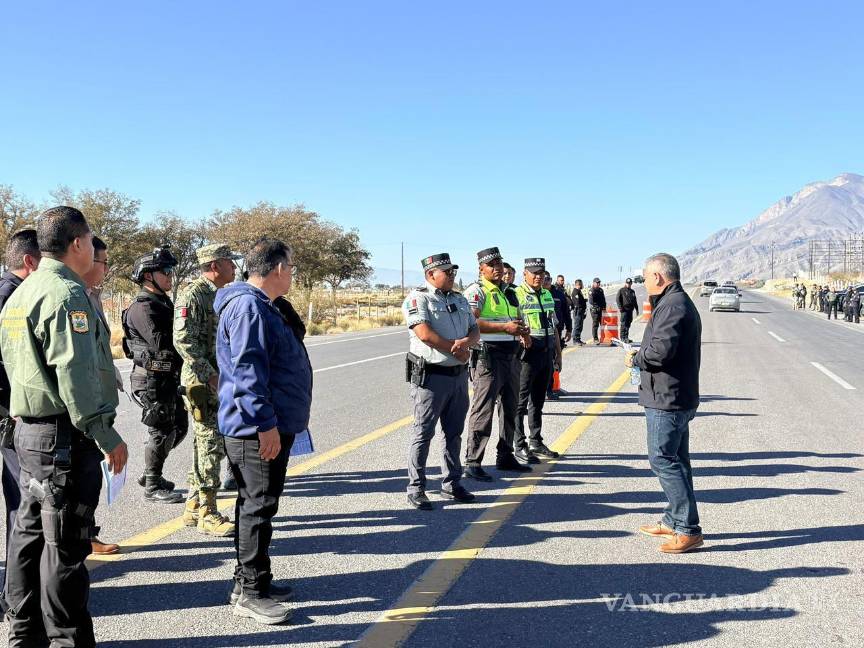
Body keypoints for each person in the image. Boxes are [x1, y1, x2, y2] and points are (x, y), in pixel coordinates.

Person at [0, 206, 128, 647]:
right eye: (92, 240)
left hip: (29, 434)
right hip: (63, 439)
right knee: (66, 549)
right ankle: (67, 640)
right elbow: (74, 375)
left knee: (28, 538)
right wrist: (106, 435)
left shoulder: (23, 290)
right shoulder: (66, 294)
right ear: (77, 243)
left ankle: (23, 635)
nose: (94, 249)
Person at [214, 238, 311, 625]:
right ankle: (250, 593)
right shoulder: (249, 307)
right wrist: (265, 425)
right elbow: (246, 373)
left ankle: (252, 581)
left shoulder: (263, 306)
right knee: (257, 506)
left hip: (264, 424)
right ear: (278, 269)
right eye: (291, 267)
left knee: (257, 505)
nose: (293, 274)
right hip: (254, 429)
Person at [626, 252, 703, 554]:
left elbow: (660, 353)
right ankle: (673, 520)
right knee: (677, 460)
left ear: (658, 277)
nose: (644, 283)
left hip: (668, 399)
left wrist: (637, 357)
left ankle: (688, 529)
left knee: (663, 460)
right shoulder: (674, 301)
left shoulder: (673, 305)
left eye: (645, 277)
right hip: (673, 395)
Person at [402, 253, 479, 510]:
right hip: (431, 377)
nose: (452, 275)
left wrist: (467, 344)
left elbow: (474, 328)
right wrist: (455, 349)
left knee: (454, 433)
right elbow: (423, 333)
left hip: (457, 377)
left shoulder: (459, 298)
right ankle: (417, 487)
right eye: (446, 271)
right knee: (423, 433)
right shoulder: (418, 298)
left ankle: (452, 483)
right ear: (430, 274)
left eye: (453, 271)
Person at [174, 243, 240, 537]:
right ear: (214, 265)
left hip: (218, 379)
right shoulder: (193, 295)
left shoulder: (218, 294)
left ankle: (192, 505)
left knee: (205, 444)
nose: (234, 268)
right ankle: (208, 513)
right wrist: (211, 376)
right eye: (229, 263)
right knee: (211, 444)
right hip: (202, 383)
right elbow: (183, 341)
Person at [122, 246, 188, 504]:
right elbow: (163, 344)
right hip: (150, 380)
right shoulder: (144, 307)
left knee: (178, 427)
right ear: (148, 275)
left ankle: (151, 471)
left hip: (167, 378)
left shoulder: (162, 302)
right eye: (166, 271)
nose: (171, 275)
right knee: (161, 430)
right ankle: (152, 484)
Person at [463, 247, 532, 482]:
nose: (497, 268)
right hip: (488, 357)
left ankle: (506, 455)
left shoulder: (509, 292)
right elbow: (471, 322)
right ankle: (473, 461)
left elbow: (516, 318)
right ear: (480, 268)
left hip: (511, 355)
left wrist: (523, 331)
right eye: (491, 264)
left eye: (499, 264)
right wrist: (505, 328)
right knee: (484, 410)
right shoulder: (477, 291)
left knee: (511, 408)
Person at [0, 230, 41, 591]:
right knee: (23, 501)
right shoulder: (12, 296)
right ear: (30, 262)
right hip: (11, 414)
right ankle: (17, 595)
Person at [80, 236, 123, 556]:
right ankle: (82, 536)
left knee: (90, 472)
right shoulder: (74, 297)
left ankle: (86, 532)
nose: (106, 268)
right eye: (102, 261)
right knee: (84, 473)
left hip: (100, 396)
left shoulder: (93, 295)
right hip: (85, 403)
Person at [513, 258, 561, 464]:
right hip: (527, 355)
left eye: (541, 273)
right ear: (525, 274)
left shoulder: (547, 293)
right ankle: (519, 444)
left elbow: (554, 325)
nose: (538, 276)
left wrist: (558, 352)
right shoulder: (516, 294)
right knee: (520, 402)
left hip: (546, 352)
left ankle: (536, 441)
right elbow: (512, 323)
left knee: (538, 401)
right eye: (534, 273)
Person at [549, 273, 573, 347]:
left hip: (557, 328)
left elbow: (566, 313)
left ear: (551, 280)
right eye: (561, 280)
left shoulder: (559, 293)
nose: (545, 281)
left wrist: (569, 329)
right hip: (542, 332)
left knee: (556, 352)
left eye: (548, 279)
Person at [616, 278, 639, 343]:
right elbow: (618, 299)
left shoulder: (632, 291)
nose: (628, 284)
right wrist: (620, 308)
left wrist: (637, 309)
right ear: (625, 283)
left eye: (630, 283)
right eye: (627, 283)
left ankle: (626, 337)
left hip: (630, 310)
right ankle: (622, 338)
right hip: (624, 310)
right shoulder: (621, 290)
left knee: (628, 324)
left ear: (631, 283)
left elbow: (635, 301)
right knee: (623, 324)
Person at [587, 277, 606, 344]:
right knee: (595, 324)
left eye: (599, 283)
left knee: (603, 324)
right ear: (594, 283)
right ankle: (595, 338)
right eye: (597, 283)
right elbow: (591, 301)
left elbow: (603, 300)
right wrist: (596, 307)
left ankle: (604, 337)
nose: (598, 284)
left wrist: (604, 308)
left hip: (601, 309)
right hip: (595, 310)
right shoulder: (591, 291)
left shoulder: (601, 290)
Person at [570, 279, 587, 346]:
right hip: (578, 311)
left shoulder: (578, 291)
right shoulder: (575, 292)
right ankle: (575, 340)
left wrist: (584, 300)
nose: (582, 285)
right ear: (579, 284)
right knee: (577, 326)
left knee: (580, 326)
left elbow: (580, 301)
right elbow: (577, 302)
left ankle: (578, 339)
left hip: (580, 311)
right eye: (582, 284)